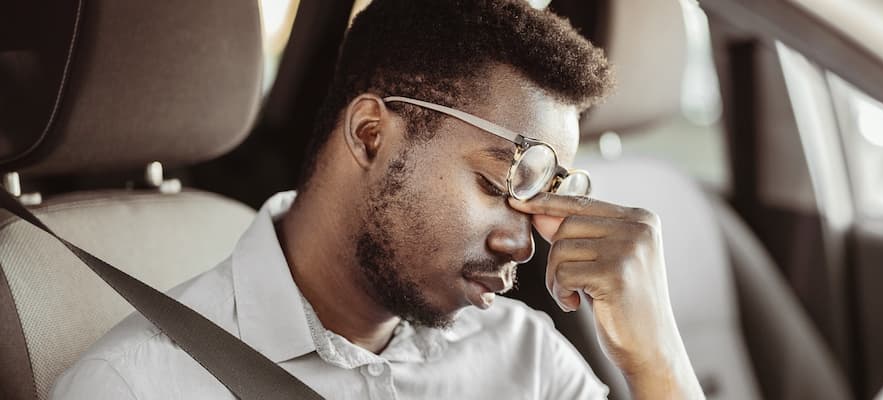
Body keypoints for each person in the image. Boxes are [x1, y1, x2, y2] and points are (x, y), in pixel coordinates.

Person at [52, 0, 704, 398]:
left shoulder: (525, 358)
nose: (522, 242)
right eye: (497, 183)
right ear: (371, 135)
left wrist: (657, 364)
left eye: (542, 198)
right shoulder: (140, 386)